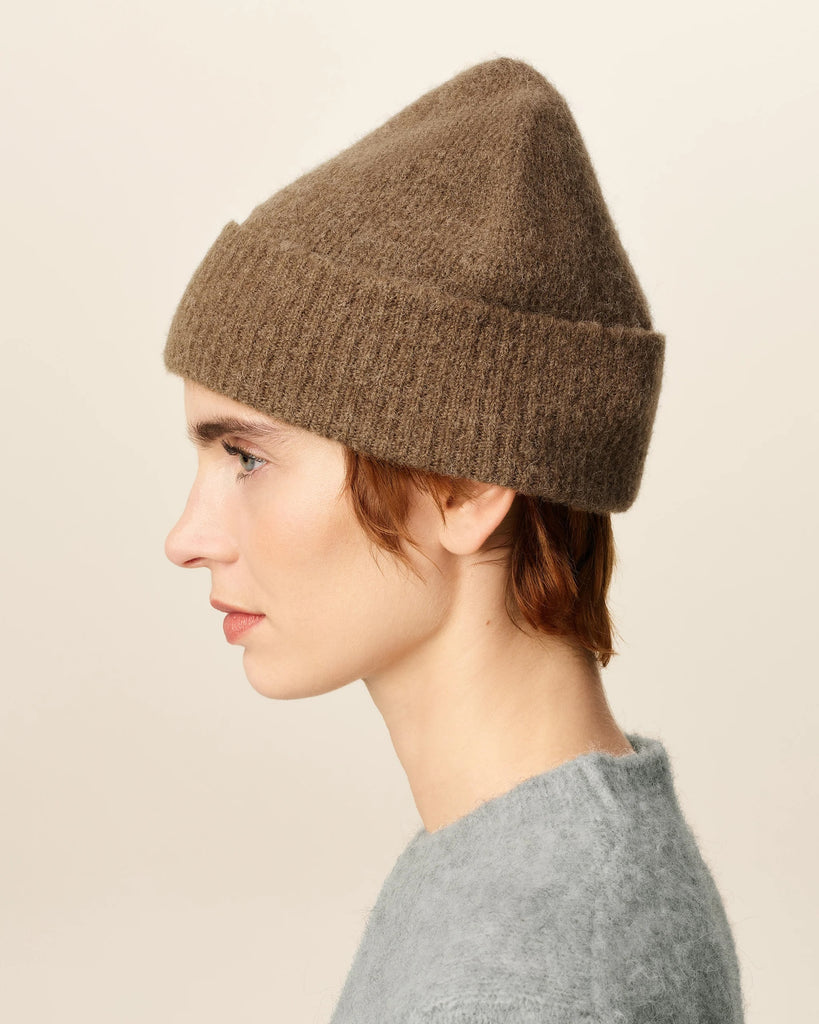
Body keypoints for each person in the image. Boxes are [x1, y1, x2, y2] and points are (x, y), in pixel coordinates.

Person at [163, 56, 746, 1023]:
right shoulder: (534, 862)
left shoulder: (524, 979)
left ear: (465, 485)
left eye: (248, 458)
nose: (187, 538)